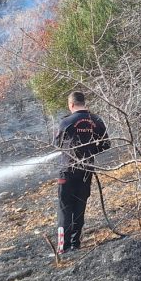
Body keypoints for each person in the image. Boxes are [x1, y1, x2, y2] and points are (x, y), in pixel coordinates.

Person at [55, 90, 109, 254]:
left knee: (65, 208)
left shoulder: (66, 122)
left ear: (71, 105)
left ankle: (62, 247)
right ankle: (75, 244)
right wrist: (91, 151)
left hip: (67, 171)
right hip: (86, 171)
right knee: (80, 207)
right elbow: (106, 144)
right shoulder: (96, 120)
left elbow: (57, 144)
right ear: (84, 103)